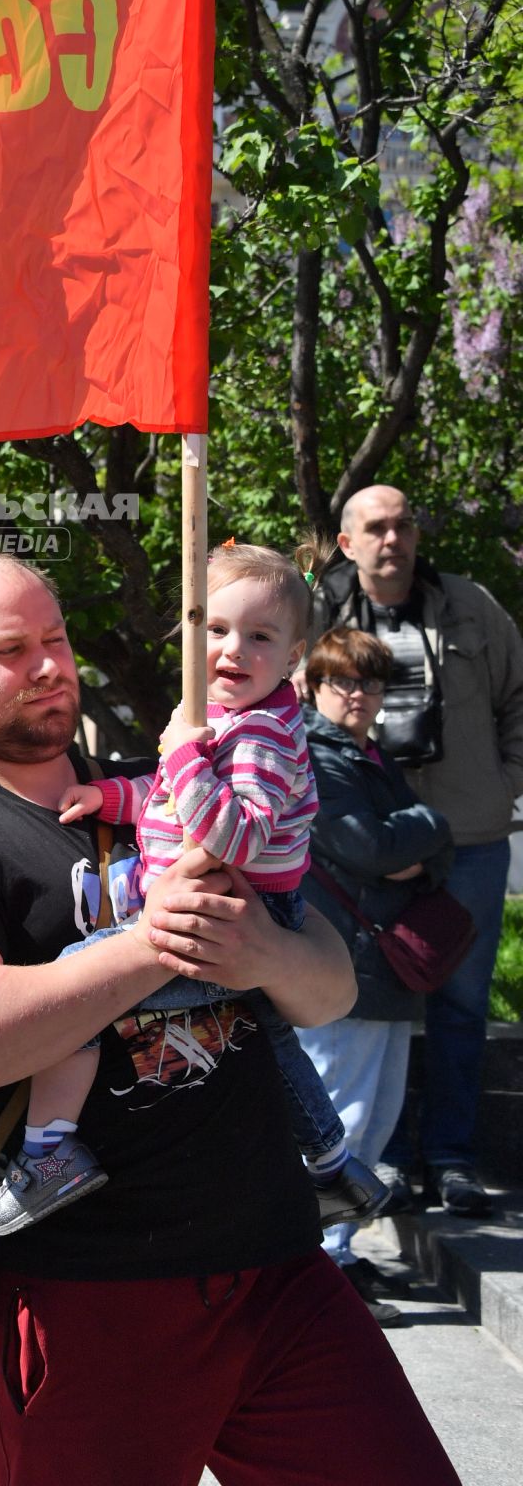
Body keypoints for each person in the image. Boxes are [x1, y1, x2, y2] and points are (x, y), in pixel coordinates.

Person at [0, 550, 460, 1486]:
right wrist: (151, 943)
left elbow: (332, 987)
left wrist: (264, 953)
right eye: (11, 649)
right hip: (89, 1298)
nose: (50, 664)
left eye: (55, 639)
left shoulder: (170, 782)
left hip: (281, 1274)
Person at [0, 542, 382, 1241]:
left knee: (78, 990)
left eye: (259, 636)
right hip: (230, 905)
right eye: (215, 630)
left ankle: (50, 1153)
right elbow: (169, 802)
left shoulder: (262, 737)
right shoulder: (221, 720)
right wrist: (111, 795)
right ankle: (336, 1163)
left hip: (236, 907)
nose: (232, 649)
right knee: (269, 1033)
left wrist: (183, 751)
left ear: (294, 656)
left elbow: (233, 836)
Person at [312, 483, 523, 1214]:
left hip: (467, 833)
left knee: (460, 1000)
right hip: (367, 849)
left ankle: (454, 1156)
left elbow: (517, 698)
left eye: (403, 524)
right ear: (347, 542)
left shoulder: (471, 605)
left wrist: (504, 785)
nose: (392, 539)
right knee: (379, 1001)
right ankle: (388, 1161)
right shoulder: (319, 614)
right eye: (375, 527)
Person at [296, 627, 455, 1323]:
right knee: (341, 1117)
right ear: (314, 686)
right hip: (347, 960)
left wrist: (417, 840)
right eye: (343, 682)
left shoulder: (367, 756)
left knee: (375, 1120)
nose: (358, 696)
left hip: (383, 961)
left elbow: (409, 853)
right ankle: (320, 1265)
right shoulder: (316, 757)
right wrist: (431, 824)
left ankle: (342, 1251)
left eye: (370, 684)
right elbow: (370, 848)